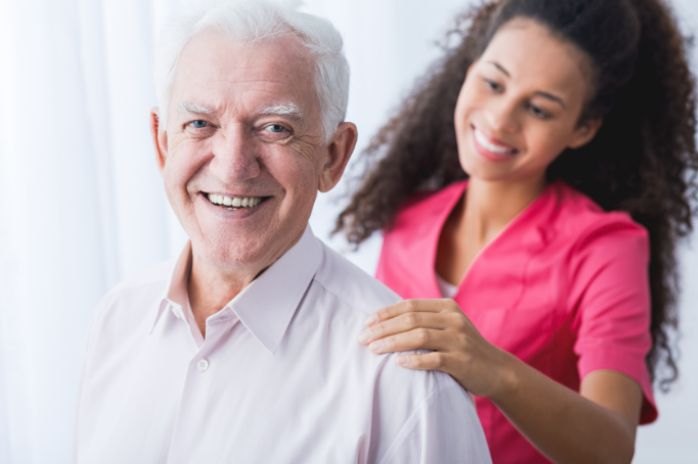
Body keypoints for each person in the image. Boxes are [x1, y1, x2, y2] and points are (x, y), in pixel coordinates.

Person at [75, 1, 491, 463]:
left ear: (333, 156)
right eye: (200, 124)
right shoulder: (117, 319)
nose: (233, 167)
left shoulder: (404, 377)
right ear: (163, 142)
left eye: (275, 128)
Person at [337, 0, 698, 462]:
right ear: (469, 69)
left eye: (540, 109)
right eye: (493, 83)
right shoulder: (408, 220)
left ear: (582, 129)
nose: (501, 119)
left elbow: (612, 448)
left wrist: (495, 370)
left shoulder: (605, 247)